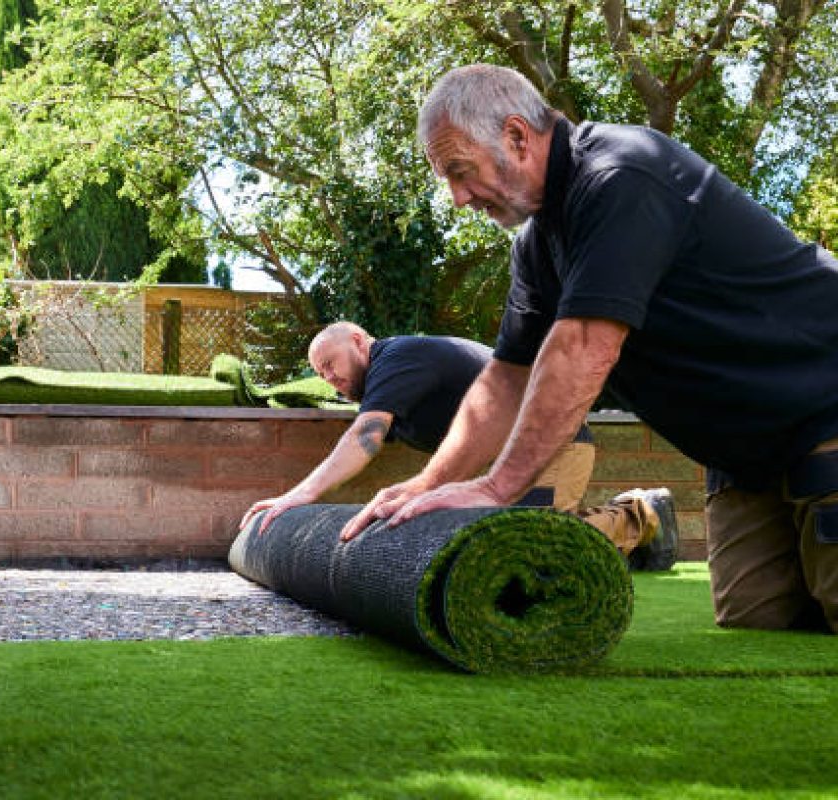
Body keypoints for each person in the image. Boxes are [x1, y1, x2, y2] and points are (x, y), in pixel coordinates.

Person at [341, 64, 838, 633]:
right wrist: (428, 486)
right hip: (745, 457)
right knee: (759, 626)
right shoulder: (536, 244)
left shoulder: (621, 175)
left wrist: (498, 487)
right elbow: (505, 379)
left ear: (516, 136)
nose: (456, 198)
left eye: (460, 171)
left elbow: (582, 345)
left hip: (823, 401)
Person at [241, 321, 678, 570]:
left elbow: (364, 439)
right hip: (501, 465)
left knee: (532, 543)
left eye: (330, 364)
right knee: (500, 548)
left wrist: (300, 495)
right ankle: (628, 537)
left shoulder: (397, 359)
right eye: (321, 374)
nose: (329, 379)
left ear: (358, 341)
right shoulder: (394, 388)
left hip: (554, 441)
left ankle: (640, 514)